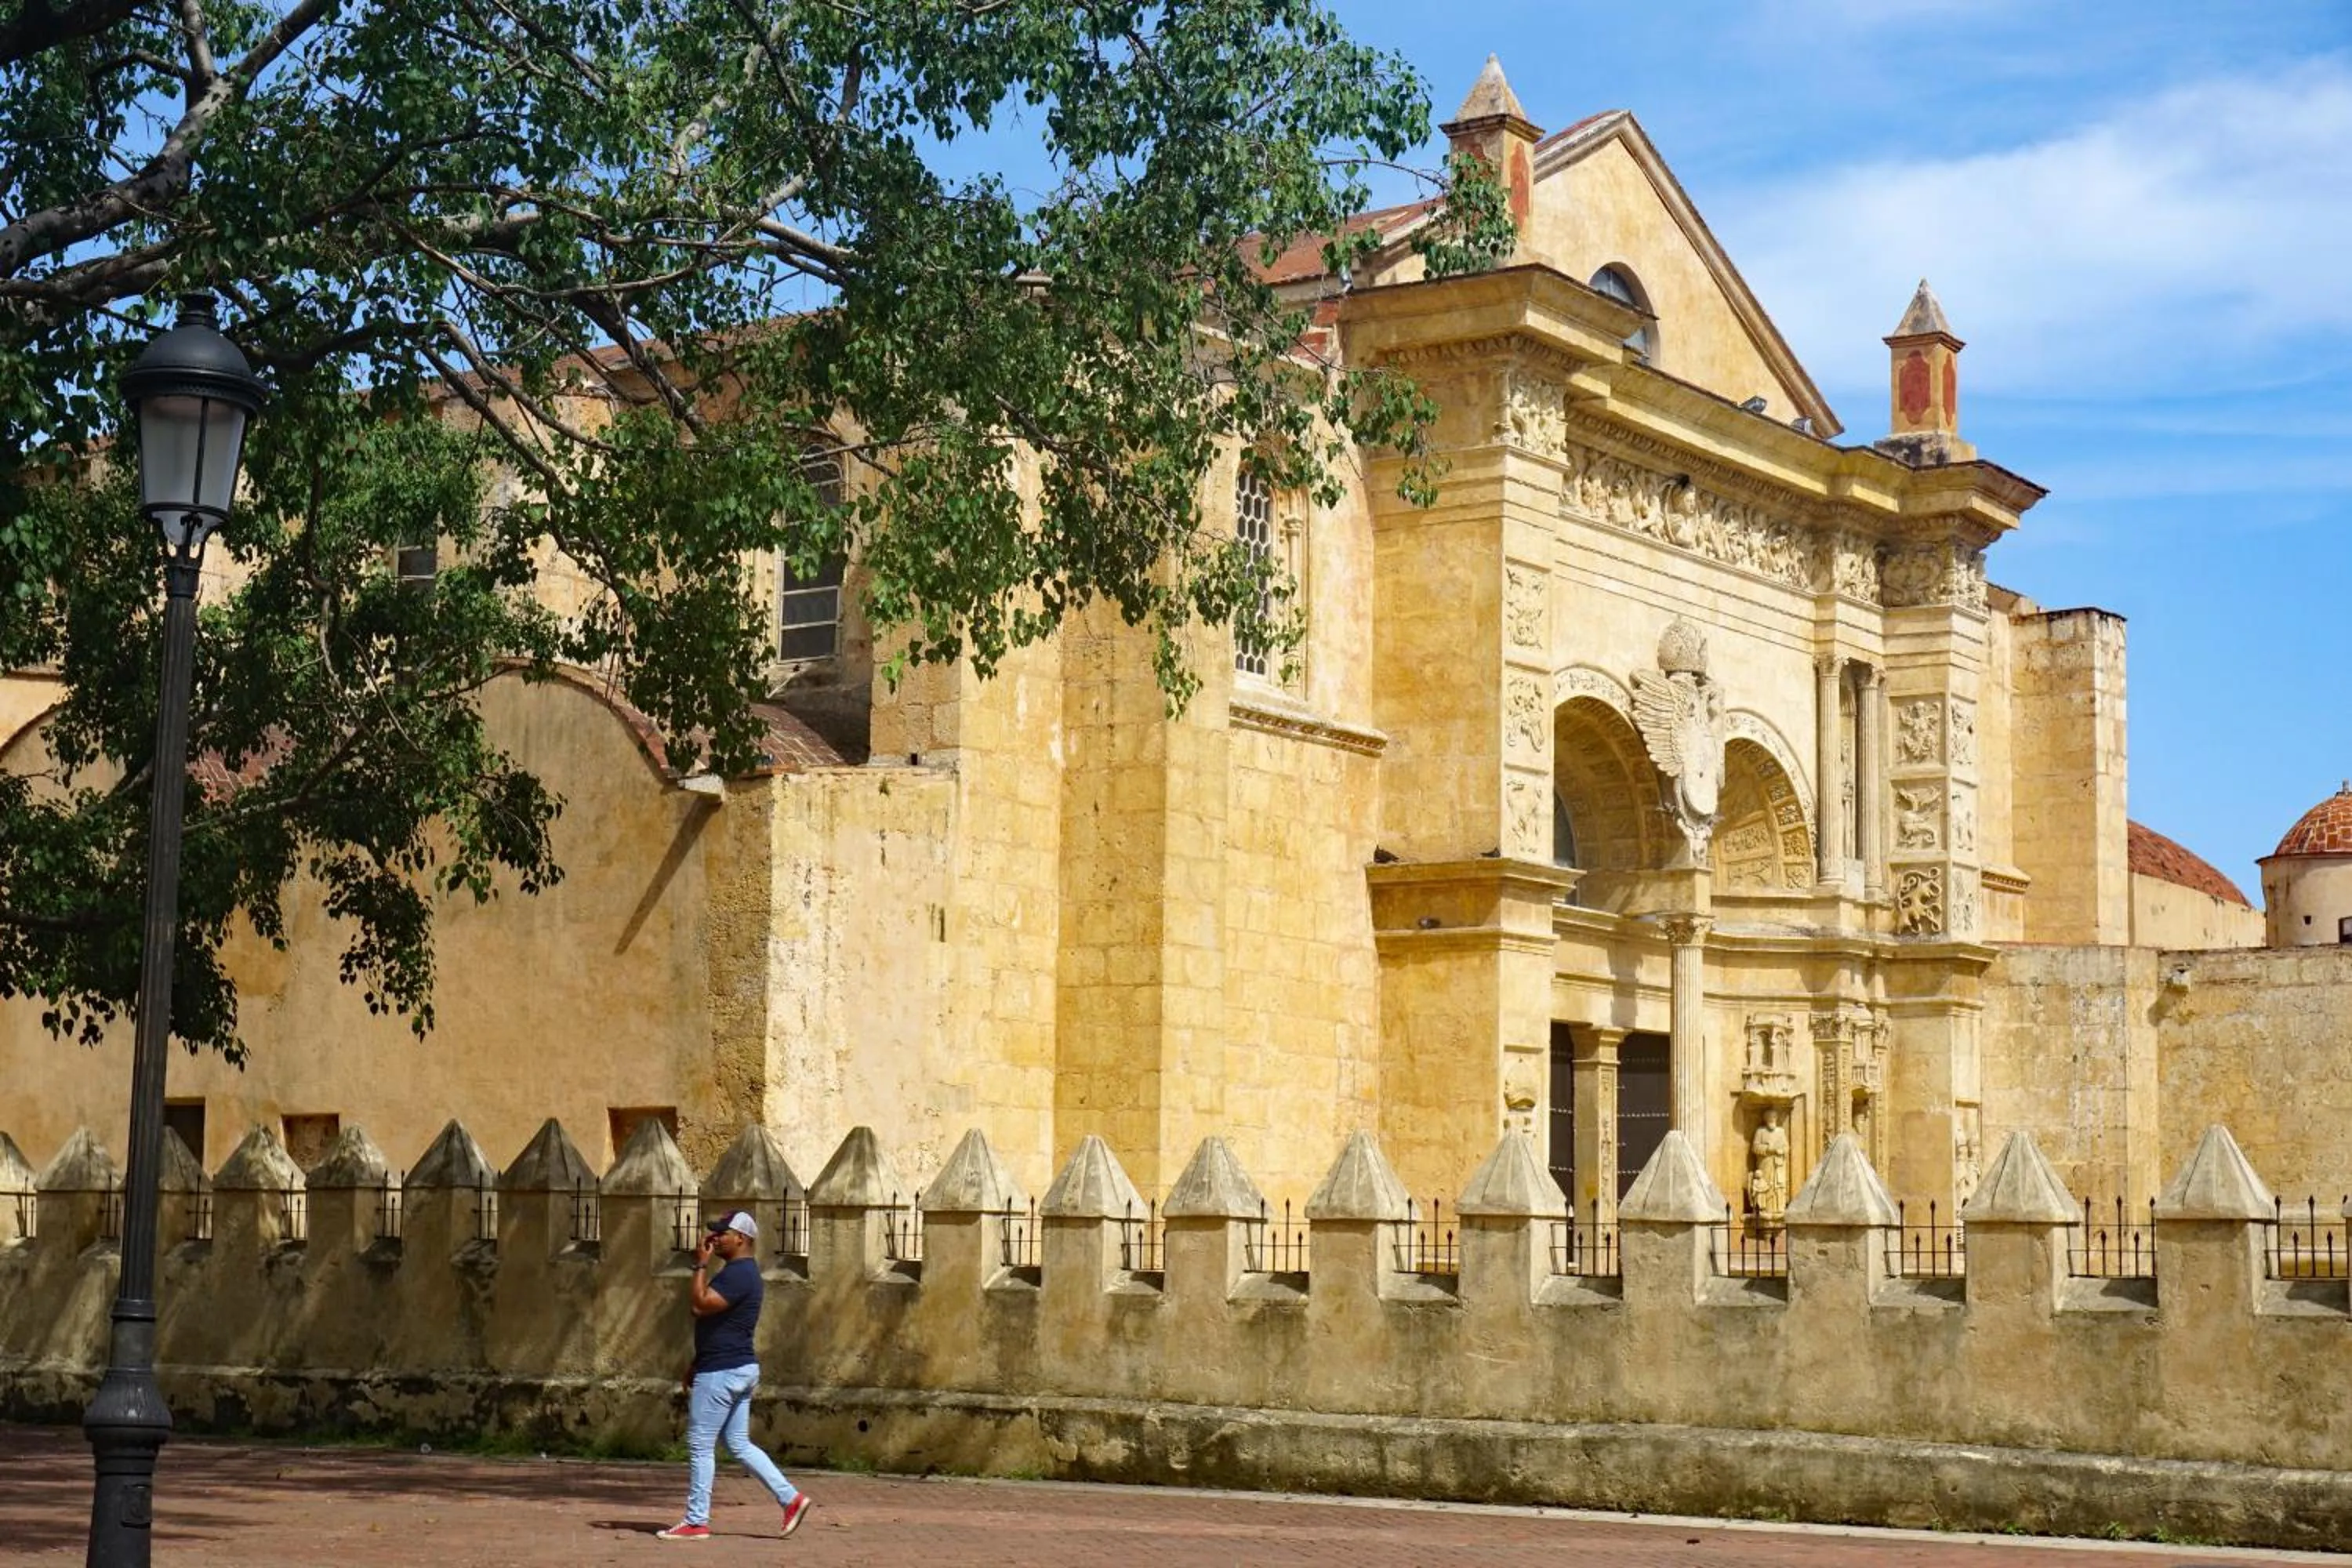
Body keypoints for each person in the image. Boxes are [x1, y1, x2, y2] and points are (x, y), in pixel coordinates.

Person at [656, 1211, 813, 1541]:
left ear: (741, 1238)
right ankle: (791, 1499)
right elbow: (720, 1325)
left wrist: (700, 1264)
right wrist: (697, 1362)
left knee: (700, 1445)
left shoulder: (738, 1274)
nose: (714, 1239)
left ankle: (696, 1521)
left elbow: (700, 1306)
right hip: (734, 1367)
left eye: (722, 1234)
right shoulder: (741, 1274)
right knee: (738, 1444)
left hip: (723, 1372)